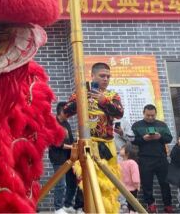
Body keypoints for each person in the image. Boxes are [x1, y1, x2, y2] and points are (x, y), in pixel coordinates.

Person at [63, 62, 124, 214]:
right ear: (93, 76)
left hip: (106, 145)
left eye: (108, 76)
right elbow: (66, 112)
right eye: (102, 76)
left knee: (108, 181)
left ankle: (107, 210)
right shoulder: (81, 92)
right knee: (87, 181)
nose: (106, 79)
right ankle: (86, 209)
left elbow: (119, 113)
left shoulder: (112, 95)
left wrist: (104, 101)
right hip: (86, 145)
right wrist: (82, 97)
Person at [132, 104, 174, 213]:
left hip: (161, 158)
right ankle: (150, 204)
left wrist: (160, 137)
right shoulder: (137, 125)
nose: (150, 117)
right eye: (148, 115)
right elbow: (133, 140)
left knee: (165, 183)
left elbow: (169, 138)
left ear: (156, 114)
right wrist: (143, 138)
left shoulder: (162, 125)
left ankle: (168, 205)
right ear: (143, 113)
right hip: (145, 158)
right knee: (147, 184)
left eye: (152, 115)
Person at [49, 102, 81, 214]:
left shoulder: (67, 123)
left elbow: (71, 140)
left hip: (70, 157)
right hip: (57, 158)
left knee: (72, 182)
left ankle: (67, 205)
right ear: (60, 111)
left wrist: (76, 144)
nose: (68, 113)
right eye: (66, 111)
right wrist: (71, 146)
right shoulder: (52, 123)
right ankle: (57, 208)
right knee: (60, 184)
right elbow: (54, 143)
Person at [119, 143, 140, 214]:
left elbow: (135, 175)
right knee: (128, 206)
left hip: (132, 188)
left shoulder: (132, 163)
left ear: (127, 152)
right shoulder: (121, 163)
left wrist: (137, 184)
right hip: (124, 188)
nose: (120, 149)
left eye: (122, 149)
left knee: (132, 206)